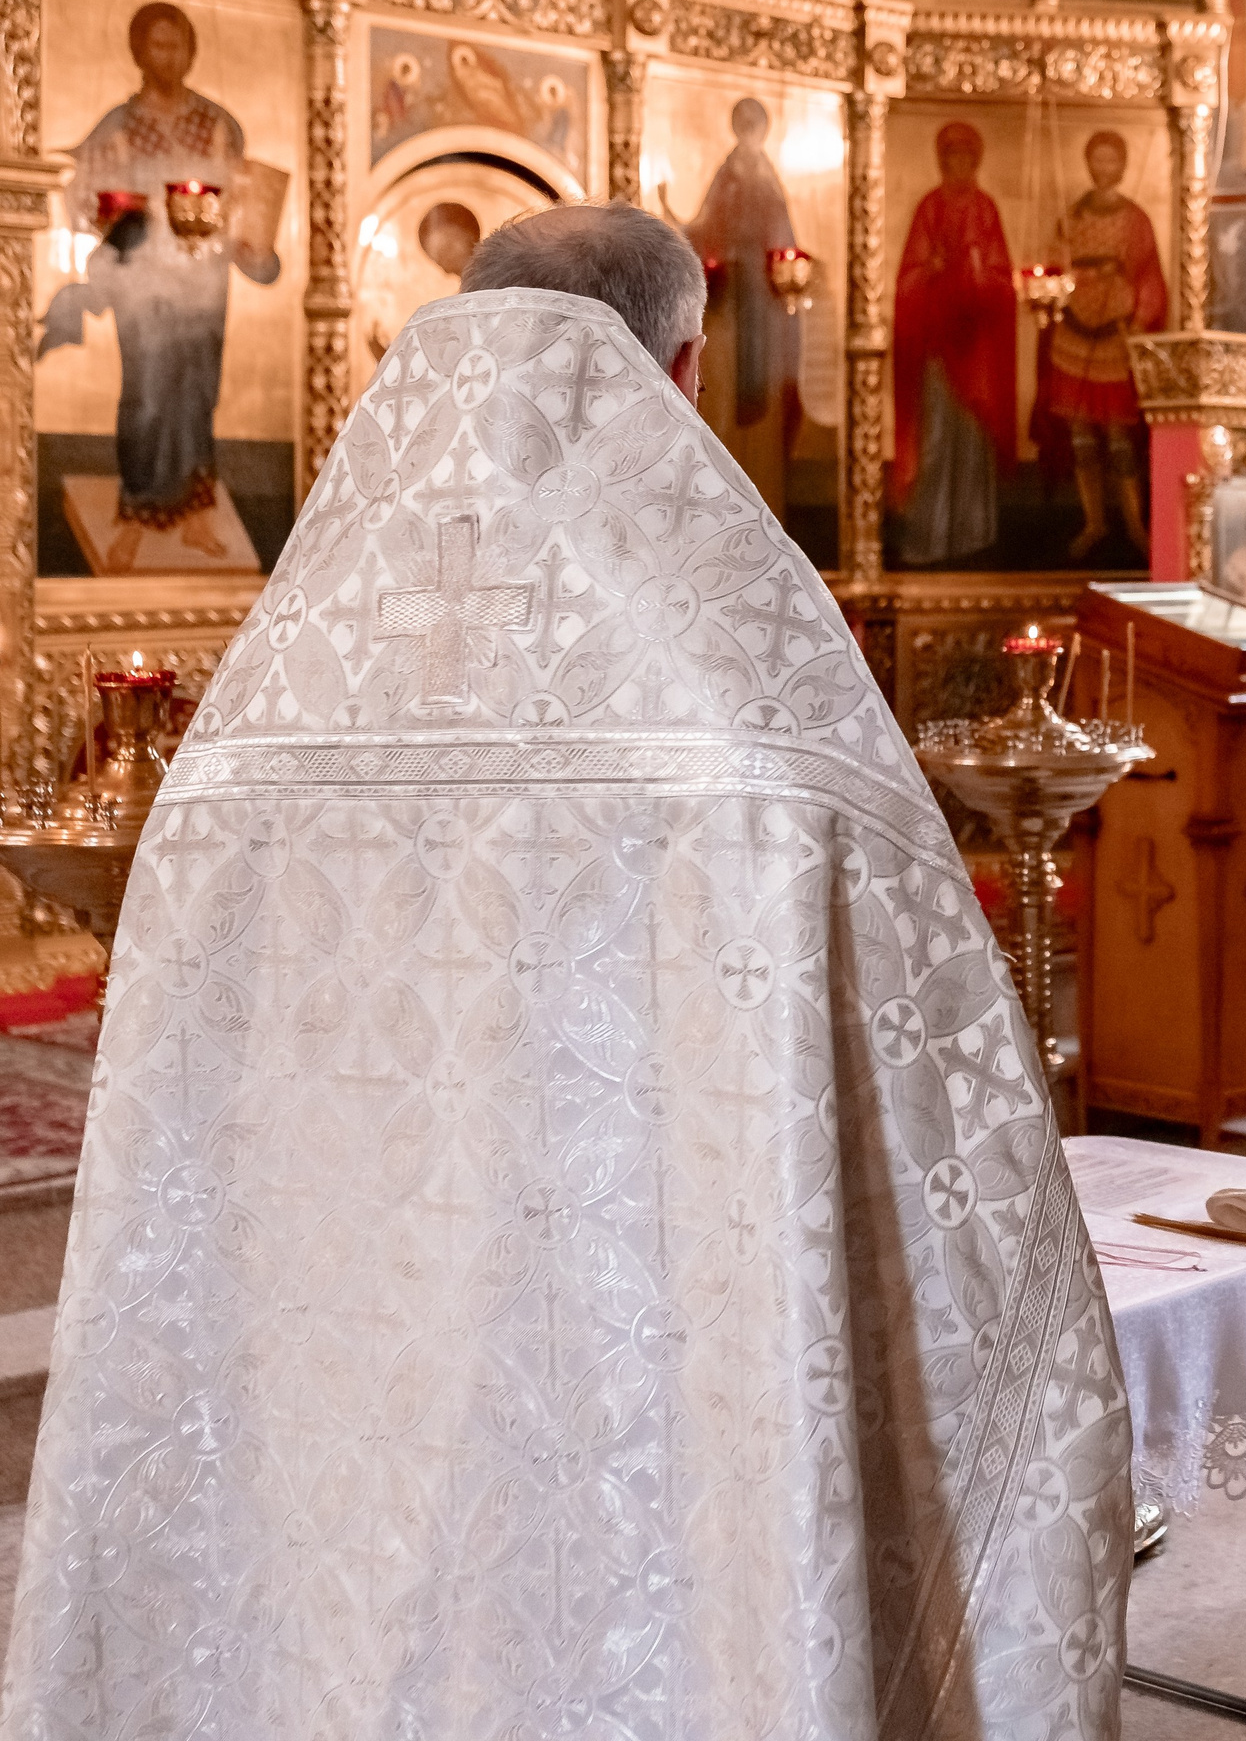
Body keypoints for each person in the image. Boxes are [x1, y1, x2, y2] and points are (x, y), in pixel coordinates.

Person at [0, 203, 1133, 1741]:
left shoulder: (260, 719)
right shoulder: (753, 713)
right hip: (644, 1351)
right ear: (672, 379)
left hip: (337, 1372)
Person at [45, 2, 283, 571]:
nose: (168, 56)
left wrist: (252, 237)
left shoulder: (219, 123)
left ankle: (197, 513)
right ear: (137, 52)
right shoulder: (119, 126)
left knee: (197, 394)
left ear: (192, 52)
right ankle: (137, 511)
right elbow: (85, 195)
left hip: (204, 280)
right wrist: (117, 208)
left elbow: (246, 198)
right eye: (157, 45)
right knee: (148, 395)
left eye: (177, 45)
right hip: (144, 283)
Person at [665, 98, 806, 517]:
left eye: (754, 124)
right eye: (742, 123)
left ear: (762, 129)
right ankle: (724, 505)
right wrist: (676, 218)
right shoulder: (726, 174)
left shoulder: (768, 177)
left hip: (763, 302)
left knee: (767, 387)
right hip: (728, 303)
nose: (748, 132)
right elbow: (706, 226)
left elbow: (785, 239)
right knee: (722, 391)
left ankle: (768, 500)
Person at [1033, 130, 1166, 561]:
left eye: (1113, 161)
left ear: (1123, 166)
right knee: (1081, 436)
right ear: (1090, 164)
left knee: (1119, 437)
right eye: (1098, 160)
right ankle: (1093, 522)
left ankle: (1134, 525)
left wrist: (1138, 316)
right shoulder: (1071, 217)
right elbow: (1053, 271)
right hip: (1074, 332)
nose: (1105, 169)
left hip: (1115, 333)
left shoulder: (1136, 220)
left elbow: (1149, 276)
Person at [892, 120, 1016, 564]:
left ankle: (973, 536)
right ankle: (931, 536)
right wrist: (934, 270)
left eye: (966, 157)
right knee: (938, 437)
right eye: (951, 157)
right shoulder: (929, 208)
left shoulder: (985, 209)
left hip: (977, 347)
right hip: (938, 344)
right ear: (942, 161)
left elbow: (1003, 279)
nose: (958, 164)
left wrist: (982, 273)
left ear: (975, 161)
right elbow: (908, 277)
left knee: (973, 439)